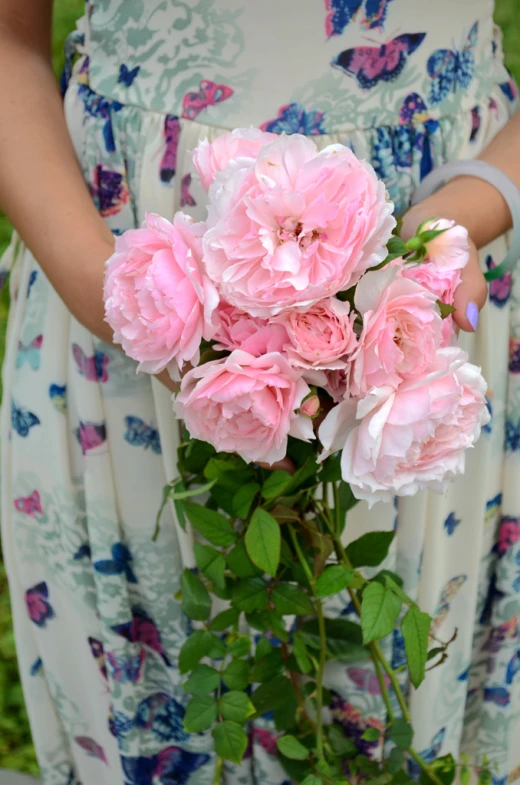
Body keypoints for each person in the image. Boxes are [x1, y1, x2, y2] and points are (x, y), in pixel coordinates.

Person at [0, 1, 519, 783]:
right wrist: (119, 298)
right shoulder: (122, 294)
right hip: (124, 276)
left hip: (425, 296)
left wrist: (467, 212)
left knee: (394, 722)